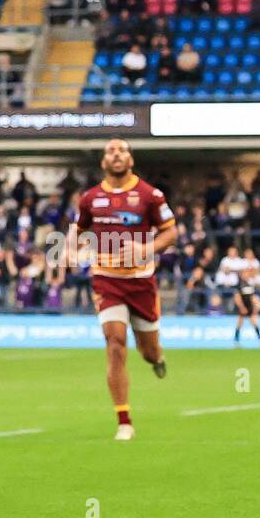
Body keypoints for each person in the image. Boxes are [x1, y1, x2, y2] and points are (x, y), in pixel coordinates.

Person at [72, 139, 177, 441]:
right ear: (103, 161)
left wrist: (146, 247)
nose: (116, 155)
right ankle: (124, 420)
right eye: (110, 151)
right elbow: (78, 231)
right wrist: (70, 250)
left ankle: (157, 358)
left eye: (122, 150)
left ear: (130, 159)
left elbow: (171, 232)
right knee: (115, 343)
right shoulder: (90, 198)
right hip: (107, 280)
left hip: (142, 282)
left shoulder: (150, 195)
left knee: (148, 350)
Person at [232, 246, 260, 347]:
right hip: (243, 304)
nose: (247, 274)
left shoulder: (250, 283)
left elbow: (252, 296)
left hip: (249, 304)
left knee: (254, 321)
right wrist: (241, 307)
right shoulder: (240, 284)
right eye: (246, 273)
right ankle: (236, 340)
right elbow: (237, 297)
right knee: (240, 322)